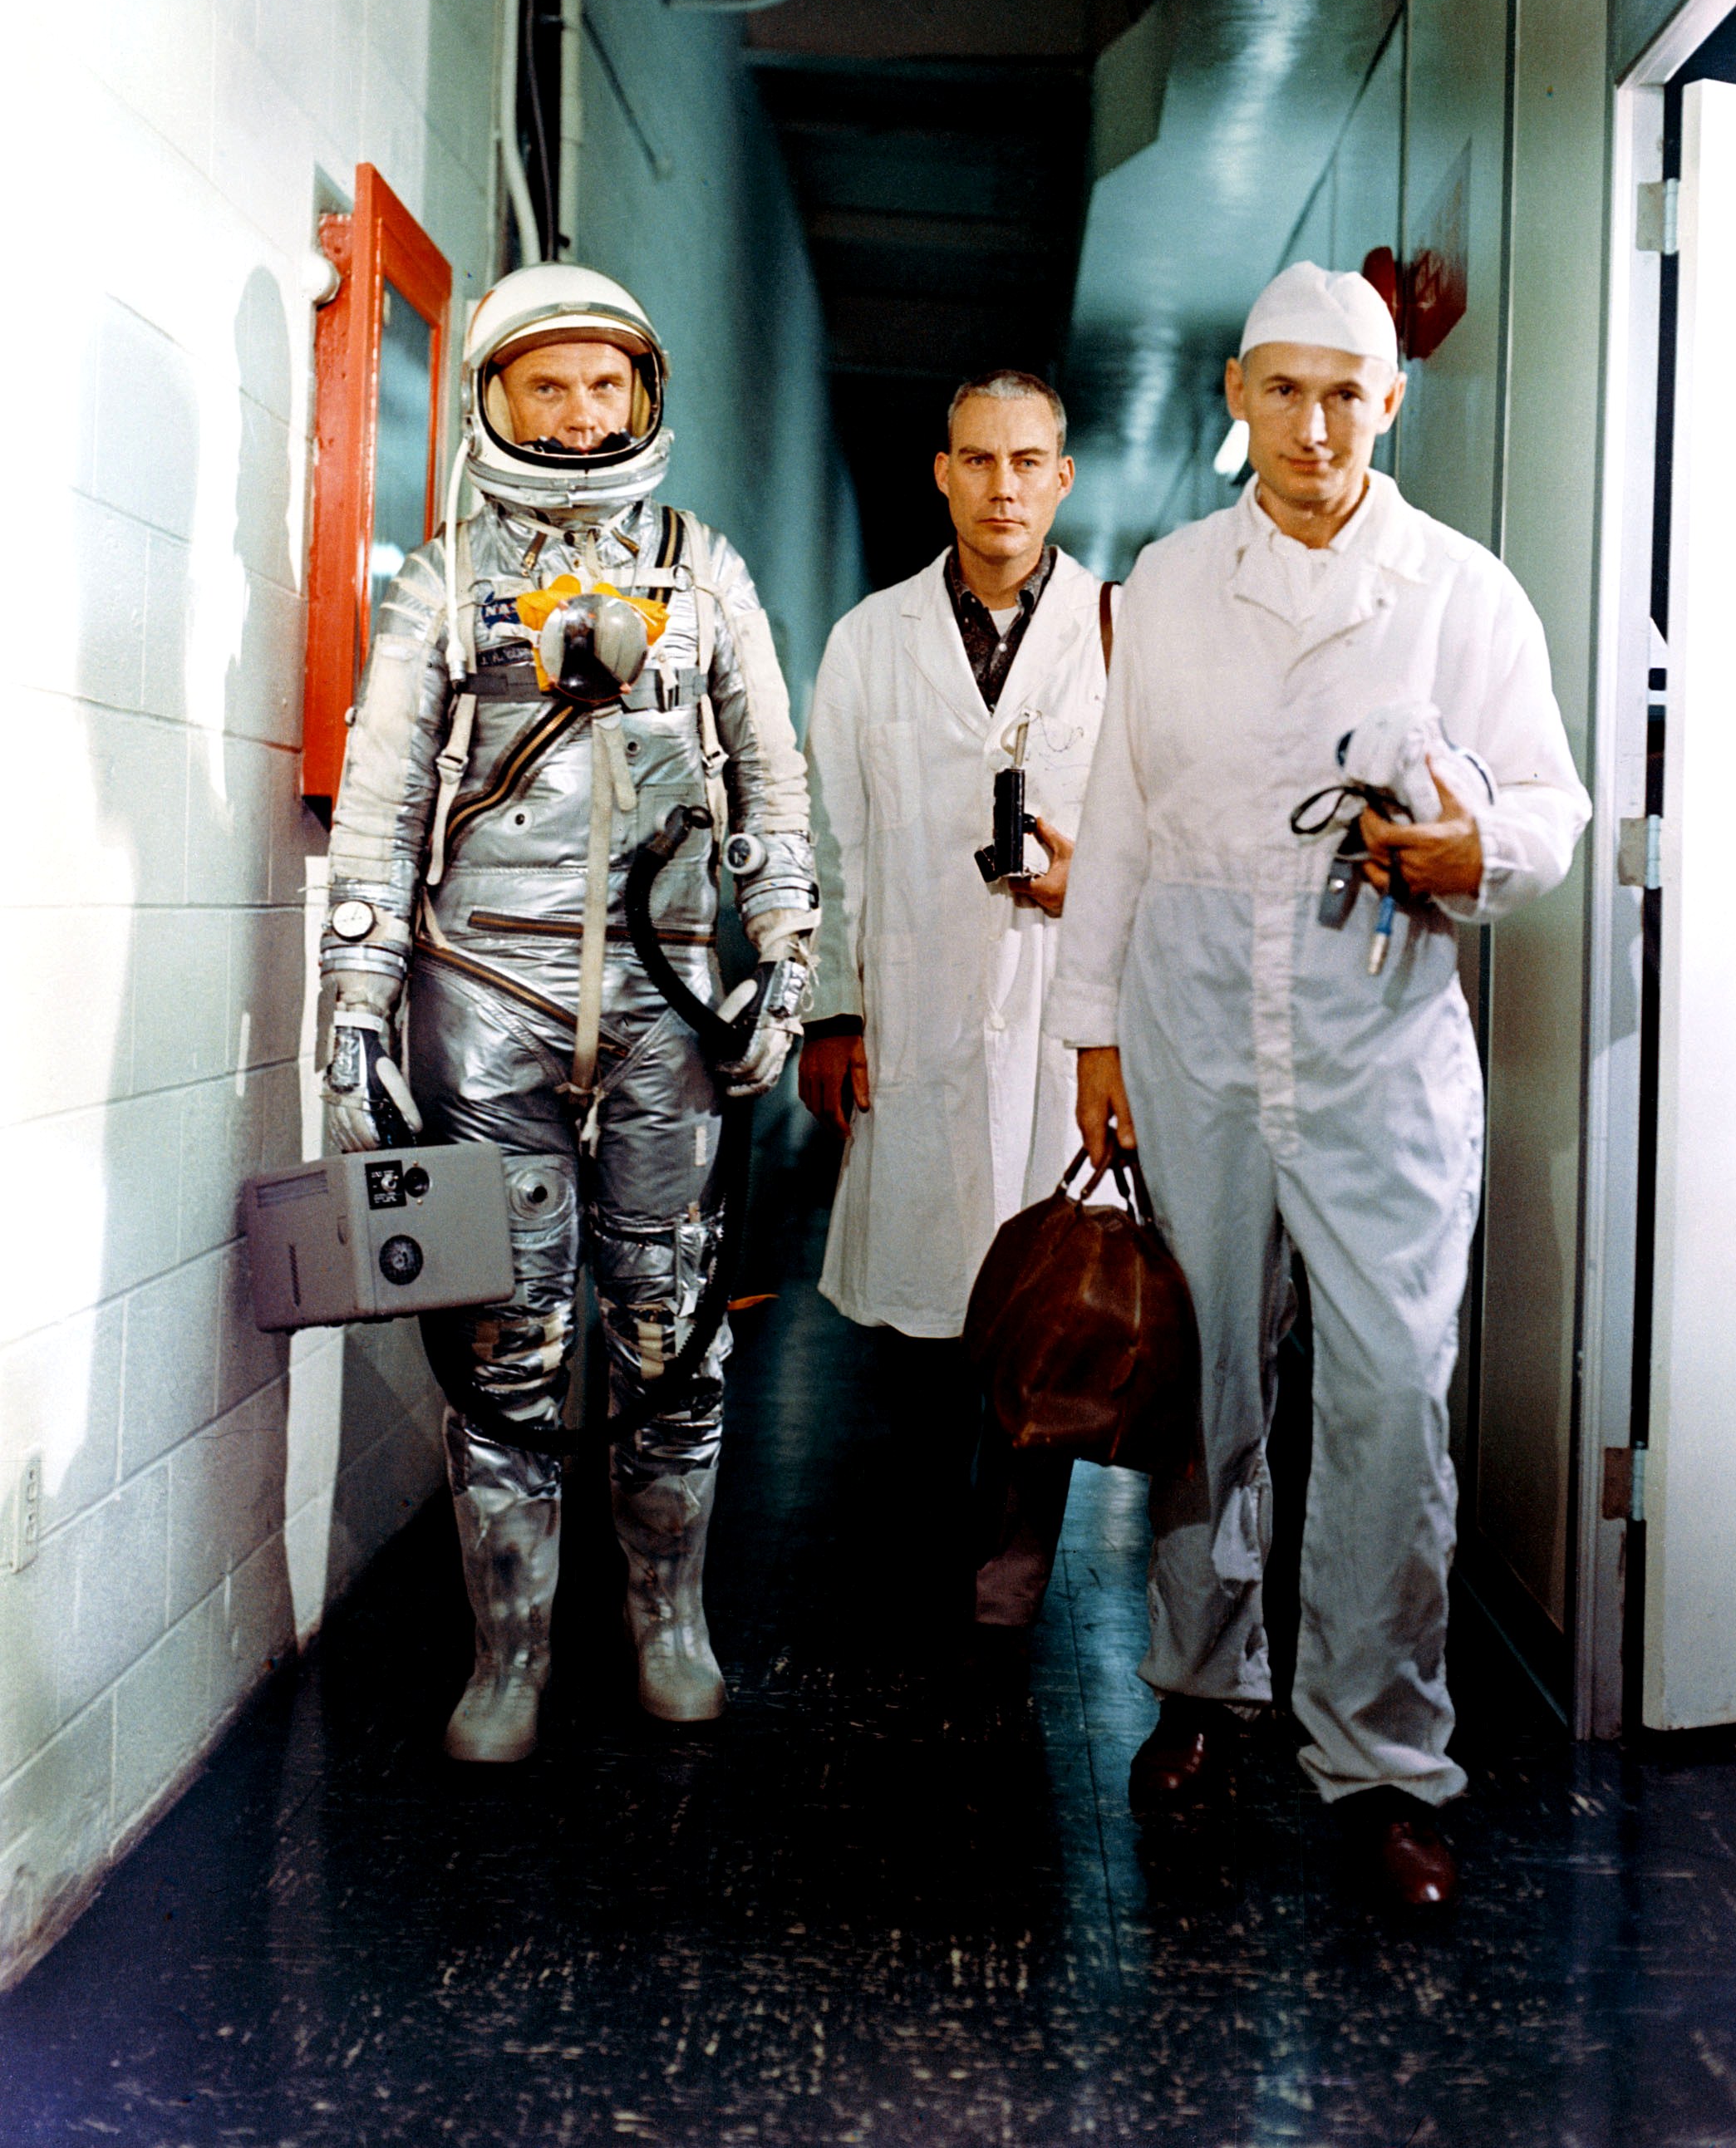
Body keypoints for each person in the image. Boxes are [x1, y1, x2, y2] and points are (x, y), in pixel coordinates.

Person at [1047, 263, 1589, 1905]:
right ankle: (1201, 1695)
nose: (1310, 425)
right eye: (1280, 390)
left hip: (1376, 1016)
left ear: (1389, 402)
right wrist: (1089, 1036)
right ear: (1233, 396)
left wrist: (1470, 848)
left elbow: (1554, 810)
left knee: (1383, 1395)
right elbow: (1122, 819)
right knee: (1200, 1378)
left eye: (1342, 394)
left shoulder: (1459, 590)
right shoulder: (1165, 581)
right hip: (1191, 1010)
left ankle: (1380, 1761)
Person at [318, 262, 816, 1764]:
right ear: (497, 401)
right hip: (485, 992)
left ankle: (667, 1620)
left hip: (666, 993)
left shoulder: (700, 568)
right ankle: (508, 1658)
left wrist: (785, 950)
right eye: (549, 385)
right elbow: (386, 795)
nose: (580, 411)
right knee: (506, 1338)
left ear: (644, 397)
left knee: (666, 1330)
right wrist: (354, 991)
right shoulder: (438, 579)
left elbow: (769, 776)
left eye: (605, 384)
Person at [800, 371, 1111, 1631]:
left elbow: (1160, 830)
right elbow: (829, 837)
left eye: (1026, 462)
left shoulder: (1116, 630)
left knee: (1048, 1298)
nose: (1002, 487)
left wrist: (1092, 891)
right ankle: (920, 1537)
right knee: (923, 1303)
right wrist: (830, 1011)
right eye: (978, 462)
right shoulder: (871, 639)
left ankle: (1017, 1560)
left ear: (1061, 477)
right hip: (915, 1011)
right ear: (942, 472)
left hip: (1059, 1010)